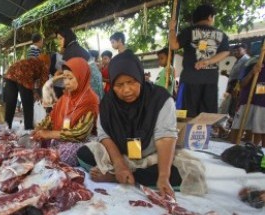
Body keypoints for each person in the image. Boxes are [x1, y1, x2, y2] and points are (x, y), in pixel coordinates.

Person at [77, 53, 207, 198]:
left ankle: (116, 177)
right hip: (120, 154)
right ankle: (123, 174)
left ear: (140, 77)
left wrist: (163, 175)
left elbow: (165, 137)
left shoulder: (160, 99)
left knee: (184, 174)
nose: (126, 90)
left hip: (152, 155)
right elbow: (104, 135)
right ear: (112, 84)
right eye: (119, 85)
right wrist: (119, 165)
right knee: (83, 153)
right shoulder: (108, 103)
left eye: (132, 82)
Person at [32, 58, 99, 166]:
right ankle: (48, 156)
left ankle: (50, 158)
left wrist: (49, 134)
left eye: (70, 78)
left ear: (81, 77)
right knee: (37, 141)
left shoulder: (90, 100)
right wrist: (39, 129)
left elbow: (80, 133)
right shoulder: (66, 96)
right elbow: (51, 117)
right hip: (62, 137)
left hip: (80, 141)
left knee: (66, 152)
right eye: (65, 78)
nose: (66, 82)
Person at [169, 4, 230, 118]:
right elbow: (226, 52)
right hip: (210, 81)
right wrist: (208, 61)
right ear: (210, 17)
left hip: (190, 80)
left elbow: (173, 45)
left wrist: (172, 29)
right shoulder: (221, 34)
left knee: (185, 115)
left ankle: (185, 136)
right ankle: (203, 135)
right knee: (206, 116)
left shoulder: (188, 31)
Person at [3, 55, 49, 130]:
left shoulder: (31, 61)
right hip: (24, 75)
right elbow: (44, 83)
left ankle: (7, 128)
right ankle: (28, 129)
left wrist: (35, 92)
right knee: (28, 105)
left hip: (10, 73)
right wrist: (41, 96)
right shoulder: (44, 65)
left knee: (10, 104)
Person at [56, 28, 103, 100]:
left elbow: (65, 72)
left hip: (90, 81)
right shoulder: (75, 47)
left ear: (67, 38)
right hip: (95, 79)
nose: (59, 42)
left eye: (60, 38)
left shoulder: (70, 51)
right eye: (58, 39)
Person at [230, 57, 265, 146]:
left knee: (260, 130)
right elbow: (242, 84)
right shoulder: (250, 64)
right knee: (238, 127)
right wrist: (252, 72)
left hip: (262, 103)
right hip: (246, 101)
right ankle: (233, 149)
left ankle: (255, 151)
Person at [222, 43, 250, 117]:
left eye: (238, 50)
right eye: (234, 51)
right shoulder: (238, 61)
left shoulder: (246, 60)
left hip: (237, 88)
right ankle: (230, 123)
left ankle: (233, 124)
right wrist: (226, 75)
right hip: (233, 87)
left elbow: (243, 76)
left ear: (245, 50)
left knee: (235, 107)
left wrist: (237, 88)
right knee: (231, 106)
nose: (236, 52)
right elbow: (235, 76)